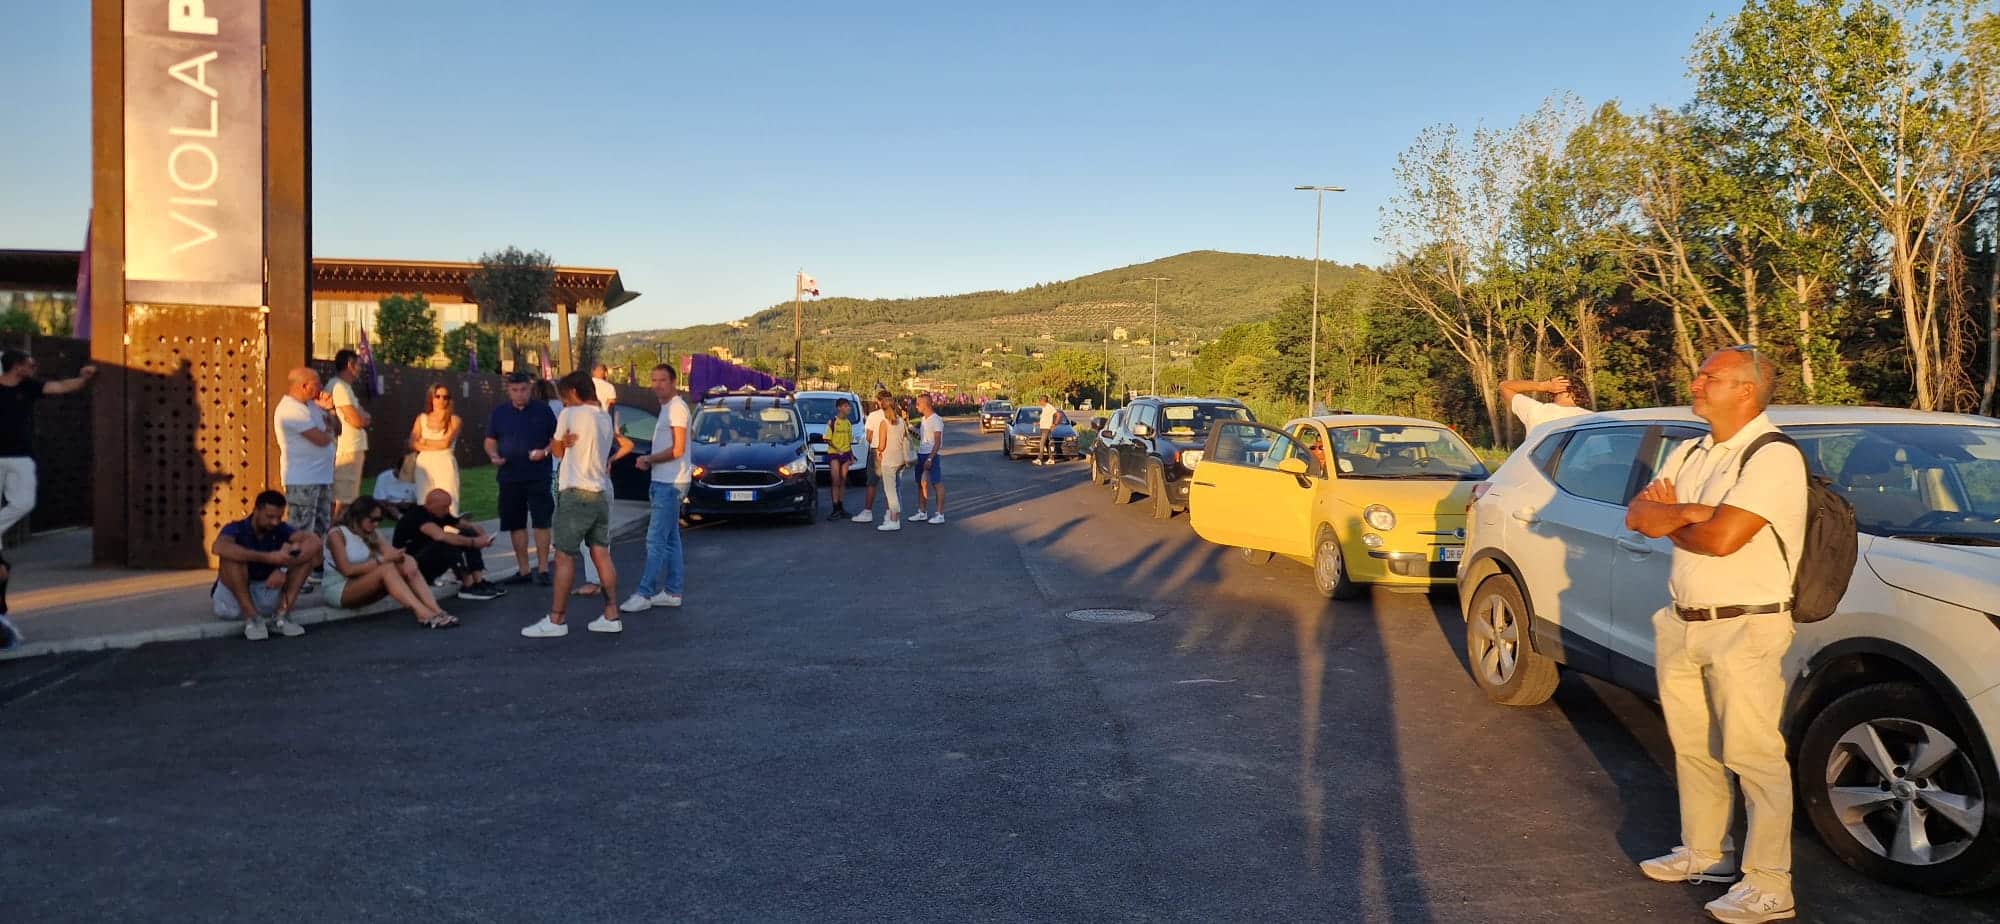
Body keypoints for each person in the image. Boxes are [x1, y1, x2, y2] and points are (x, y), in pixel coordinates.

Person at [1625, 346, 1805, 924]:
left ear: (1746, 391)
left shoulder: (1773, 457)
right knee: (1693, 748)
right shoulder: (1691, 447)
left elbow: (1724, 539)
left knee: (1754, 757)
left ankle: (1770, 885)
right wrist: (1692, 514)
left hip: (1746, 624)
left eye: (1711, 377)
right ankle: (1706, 853)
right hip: (1683, 620)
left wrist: (1675, 516)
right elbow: (1637, 515)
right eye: (1700, 374)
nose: (1696, 383)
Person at [521, 371, 623, 638]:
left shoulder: (570, 415)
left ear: (575, 393)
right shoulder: (603, 418)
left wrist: (560, 442)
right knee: (601, 552)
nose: (564, 401)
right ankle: (612, 614)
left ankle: (556, 620)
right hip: (599, 492)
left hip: (575, 493)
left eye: (565, 396)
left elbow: (556, 452)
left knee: (564, 555)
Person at [0, 350, 96, 549]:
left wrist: (83, 378)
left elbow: (60, 387)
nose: (34, 369)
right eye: (30, 365)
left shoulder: (29, 387)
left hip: (21, 455)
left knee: (24, 502)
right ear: (17, 367)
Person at [322, 498, 458, 628]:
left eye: (379, 520)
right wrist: (381, 560)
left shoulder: (372, 533)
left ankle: (437, 610)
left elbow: (392, 554)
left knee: (403, 563)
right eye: (373, 520)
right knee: (386, 568)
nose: (376, 524)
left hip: (362, 583)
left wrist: (405, 558)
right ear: (359, 516)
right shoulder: (337, 534)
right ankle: (423, 613)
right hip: (339, 588)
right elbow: (347, 570)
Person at [621, 363, 691, 613]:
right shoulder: (667, 409)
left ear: (673, 382)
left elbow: (678, 449)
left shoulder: (676, 410)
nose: (657, 384)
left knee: (655, 540)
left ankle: (645, 592)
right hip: (665, 479)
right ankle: (673, 591)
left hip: (670, 482)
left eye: (662, 380)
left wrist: (649, 459)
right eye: (654, 380)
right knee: (671, 539)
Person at [211, 489, 321, 640]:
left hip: (266, 590)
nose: (275, 522)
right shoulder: (236, 528)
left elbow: (313, 541)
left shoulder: (281, 528)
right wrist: (268, 558)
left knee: (306, 558)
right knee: (232, 557)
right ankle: (252, 619)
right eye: (270, 517)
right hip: (235, 600)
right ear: (256, 510)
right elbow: (219, 547)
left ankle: (281, 617)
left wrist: (283, 566)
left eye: (279, 517)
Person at [486, 372, 559, 586]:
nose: (519, 394)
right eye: (515, 390)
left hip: (538, 474)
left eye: (523, 389)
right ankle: (524, 570)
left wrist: (544, 452)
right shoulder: (499, 413)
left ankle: (544, 569)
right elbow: (490, 440)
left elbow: (556, 440)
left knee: (541, 521)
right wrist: (493, 455)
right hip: (510, 475)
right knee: (515, 523)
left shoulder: (543, 411)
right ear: (508, 390)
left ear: (530, 388)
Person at [393, 488, 505, 600]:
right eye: (445, 507)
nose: (447, 510)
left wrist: (481, 535)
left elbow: (465, 525)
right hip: (410, 566)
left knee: (468, 533)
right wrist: (474, 542)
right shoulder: (417, 514)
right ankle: (468, 585)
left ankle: (479, 581)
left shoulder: (440, 513)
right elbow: (440, 536)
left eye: (448, 506)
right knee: (445, 541)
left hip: (427, 561)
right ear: (431, 505)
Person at [276, 367, 338, 546]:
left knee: (321, 526)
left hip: (322, 476)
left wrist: (330, 411)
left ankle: (316, 567)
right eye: (317, 384)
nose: (321, 388)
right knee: (301, 528)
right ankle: (296, 567)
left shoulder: (312, 406)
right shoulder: (290, 410)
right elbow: (322, 440)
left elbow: (337, 429)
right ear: (304, 386)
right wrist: (328, 430)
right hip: (303, 478)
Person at [328, 349, 373, 521]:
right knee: (343, 497)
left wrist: (363, 416)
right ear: (349, 365)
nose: (361, 369)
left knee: (348, 494)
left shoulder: (345, 387)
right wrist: (363, 419)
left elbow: (362, 414)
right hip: (347, 448)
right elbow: (356, 419)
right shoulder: (339, 387)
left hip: (351, 447)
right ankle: (334, 534)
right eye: (359, 365)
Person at [409, 383, 462, 516]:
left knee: (449, 497)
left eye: (445, 397)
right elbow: (412, 442)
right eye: (437, 396)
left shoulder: (454, 420)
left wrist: (424, 441)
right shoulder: (421, 418)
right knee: (424, 499)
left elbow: (445, 443)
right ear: (431, 398)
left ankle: (450, 532)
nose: (441, 400)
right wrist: (427, 445)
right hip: (424, 464)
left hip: (444, 462)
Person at [871, 391, 911, 532]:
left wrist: (878, 451)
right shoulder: (901, 422)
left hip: (888, 460)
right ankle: (895, 517)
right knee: (896, 488)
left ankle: (894, 520)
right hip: (900, 459)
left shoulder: (884, 423)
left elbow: (881, 445)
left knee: (890, 491)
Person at [1500, 375, 1589, 436]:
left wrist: (1542, 386)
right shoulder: (1592, 418)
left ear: (1557, 389)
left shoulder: (1537, 411)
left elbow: (1504, 386)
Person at [851, 396, 889, 524]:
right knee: (891, 484)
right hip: (893, 452)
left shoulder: (874, 415)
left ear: (879, 401)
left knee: (872, 482)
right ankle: (891, 513)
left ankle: (868, 511)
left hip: (877, 451)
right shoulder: (897, 415)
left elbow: (868, 436)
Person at [912, 394, 946, 524]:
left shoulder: (936, 420)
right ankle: (922, 512)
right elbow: (921, 437)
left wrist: (930, 458)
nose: (916, 406)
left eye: (918, 404)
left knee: (937, 483)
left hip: (931, 455)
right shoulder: (923, 420)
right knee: (921, 484)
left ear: (925, 404)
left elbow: (937, 442)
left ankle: (939, 514)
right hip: (921, 454)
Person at [825, 397, 856, 521]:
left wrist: (852, 455)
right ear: (839, 408)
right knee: (835, 480)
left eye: (849, 406)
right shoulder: (832, 422)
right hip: (834, 454)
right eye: (846, 406)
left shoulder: (848, 423)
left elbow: (849, 441)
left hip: (846, 454)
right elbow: (827, 438)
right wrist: (837, 449)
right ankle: (835, 508)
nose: (848, 408)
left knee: (843, 480)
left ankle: (841, 507)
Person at [371, 453, 421, 519]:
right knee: (389, 508)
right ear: (397, 468)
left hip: (411, 505)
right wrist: (397, 504)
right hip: (391, 506)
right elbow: (379, 500)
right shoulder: (383, 477)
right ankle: (400, 517)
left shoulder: (416, 476)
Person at [1036, 395, 1059, 466]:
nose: (1040, 402)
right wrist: (1038, 423)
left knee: (1042, 443)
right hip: (1043, 427)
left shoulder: (1050, 407)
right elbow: (1045, 418)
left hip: (1046, 428)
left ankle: (1039, 459)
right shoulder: (1044, 408)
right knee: (1047, 444)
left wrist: (1055, 424)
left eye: (1040, 401)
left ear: (1043, 400)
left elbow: (1058, 415)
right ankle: (1051, 459)